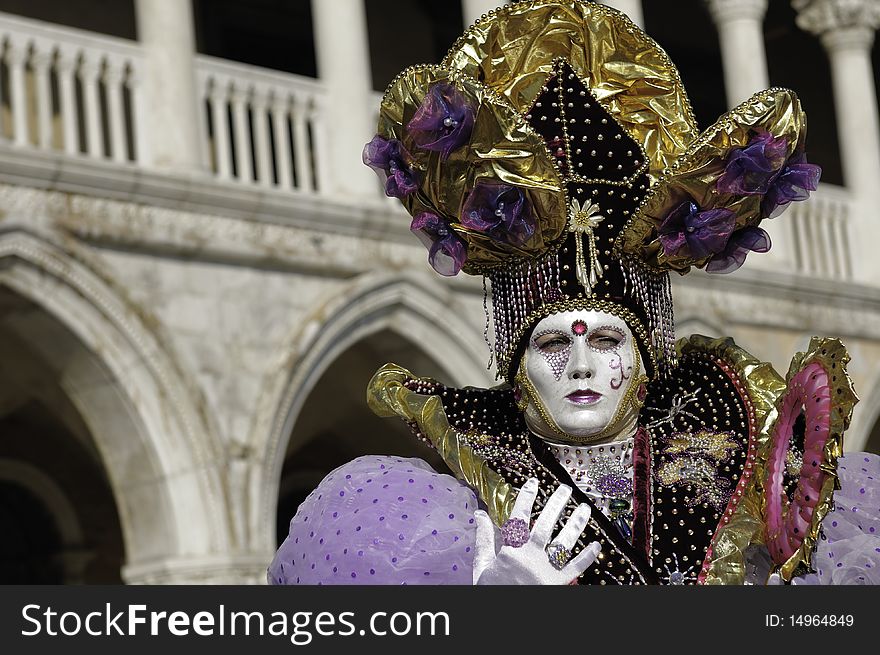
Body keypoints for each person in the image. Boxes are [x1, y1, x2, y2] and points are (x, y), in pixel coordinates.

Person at [269, 0, 877, 585]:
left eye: (609, 338)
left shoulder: (740, 439)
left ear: (646, 351)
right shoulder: (458, 505)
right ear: (516, 359)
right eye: (554, 343)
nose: (583, 364)